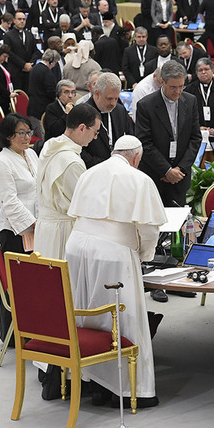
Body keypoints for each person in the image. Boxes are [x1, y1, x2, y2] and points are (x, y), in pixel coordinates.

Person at [65, 135, 167, 406]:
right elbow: (148, 228)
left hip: (76, 247)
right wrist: (144, 257)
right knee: (123, 316)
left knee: (87, 311)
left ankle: (90, 381)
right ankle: (128, 389)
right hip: (113, 252)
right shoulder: (139, 179)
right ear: (136, 157)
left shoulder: (90, 172)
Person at [0, 113, 39, 341]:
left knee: (35, 282)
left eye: (28, 132)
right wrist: (31, 223)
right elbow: (9, 201)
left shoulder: (31, 154)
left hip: (37, 226)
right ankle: (14, 335)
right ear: (9, 136)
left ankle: (35, 328)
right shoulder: (2, 161)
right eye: (21, 133)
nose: (27, 137)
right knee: (19, 284)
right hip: (15, 230)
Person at [34, 103, 100, 260]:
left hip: (45, 227)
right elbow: (83, 205)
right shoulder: (71, 162)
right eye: (95, 132)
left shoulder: (51, 145)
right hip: (63, 231)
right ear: (82, 128)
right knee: (65, 281)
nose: (95, 137)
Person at [136, 60, 201, 207]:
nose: (178, 91)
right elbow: (145, 143)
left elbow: (195, 138)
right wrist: (166, 170)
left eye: (181, 86)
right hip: (155, 176)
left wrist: (180, 169)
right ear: (162, 82)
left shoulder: (190, 101)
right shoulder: (146, 106)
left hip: (180, 177)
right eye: (173, 87)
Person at [81, 72, 135, 167]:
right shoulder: (83, 113)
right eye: (109, 99)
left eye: (116, 98)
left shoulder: (120, 110)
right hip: (94, 169)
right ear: (97, 93)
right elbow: (79, 150)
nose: (113, 103)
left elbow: (130, 135)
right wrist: (105, 165)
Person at [185, 57, 214, 136]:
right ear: (196, 73)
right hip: (196, 135)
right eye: (200, 70)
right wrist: (197, 128)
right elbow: (186, 114)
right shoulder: (189, 90)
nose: (203, 72)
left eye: (206, 69)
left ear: (212, 70)